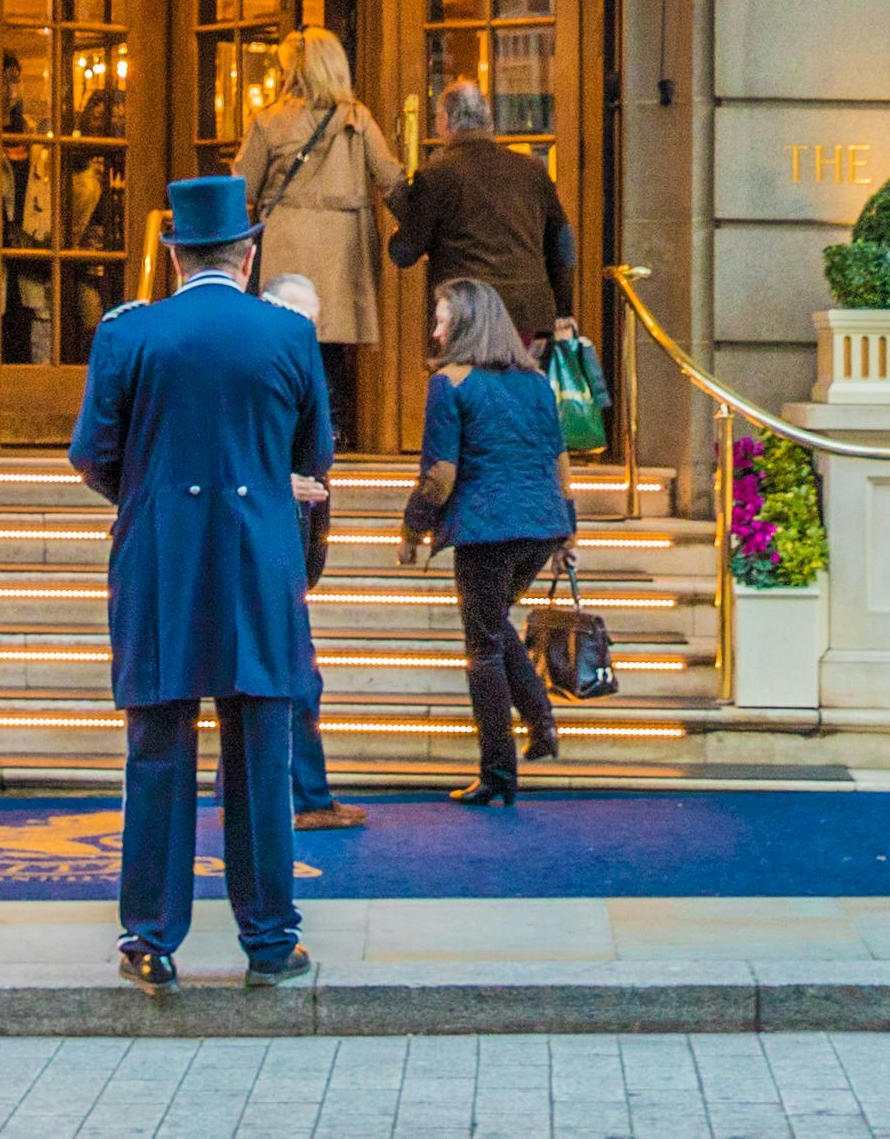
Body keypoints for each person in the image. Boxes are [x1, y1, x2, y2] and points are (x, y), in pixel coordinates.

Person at [72, 173, 338, 993]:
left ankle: (151, 938)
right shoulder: (286, 335)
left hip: (160, 558)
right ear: (248, 250)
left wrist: (150, 495)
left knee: (158, 747)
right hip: (258, 556)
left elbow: (90, 453)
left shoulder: (129, 333)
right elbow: (313, 453)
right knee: (260, 745)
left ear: (174, 253)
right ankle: (268, 937)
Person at [398, 277, 577, 808]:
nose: (435, 329)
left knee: (482, 648)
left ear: (467, 325)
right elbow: (559, 462)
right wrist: (569, 530)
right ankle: (542, 727)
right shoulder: (536, 382)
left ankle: (498, 774)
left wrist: (411, 528)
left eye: (442, 319)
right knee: (494, 624)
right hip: (540, 528)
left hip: (486, 529)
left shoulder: (450, 383)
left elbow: (441, 474)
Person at [235, 30, 402, 445]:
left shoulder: (271, 120)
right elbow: (391, 178)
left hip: (288, 240)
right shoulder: (357, 119)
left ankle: (288, 433)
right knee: (332, 344)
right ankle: (332, 428)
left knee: (286, 339)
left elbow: (242, 187)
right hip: (344, 245)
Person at [256, 270, 362, 833]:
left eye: (314, 322)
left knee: (285, 677)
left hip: (289, 537)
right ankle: (303, 797)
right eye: (300, 316)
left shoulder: (295, 362)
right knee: (295, 676)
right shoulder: (269, 365)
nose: (308, 332)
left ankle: (282, 794)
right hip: (266, 539)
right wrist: (274, 478)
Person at [387, 79, 573, 355]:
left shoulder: (436, 175)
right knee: (520, 390)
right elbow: (562, 242)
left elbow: (404, 252)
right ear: (488, 121)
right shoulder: (531, 169)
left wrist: (396, 225)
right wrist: (563, 309)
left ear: (446, 120)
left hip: (468, 315)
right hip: (528, 313)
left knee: (470, 392)